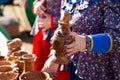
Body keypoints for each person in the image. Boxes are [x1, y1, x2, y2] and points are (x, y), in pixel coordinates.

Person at [42, 0, 120, 80]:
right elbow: (63, 28)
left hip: (101, 71)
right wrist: (56, 55)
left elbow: (117, 38)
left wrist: (85, 42)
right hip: (75, 67)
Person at [30, 0, 71, 80]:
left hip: (59, 39)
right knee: (37, 71)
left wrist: (53, 21)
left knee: (55, 74)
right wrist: (37, 5)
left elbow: (82, 13)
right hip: (41, 34)